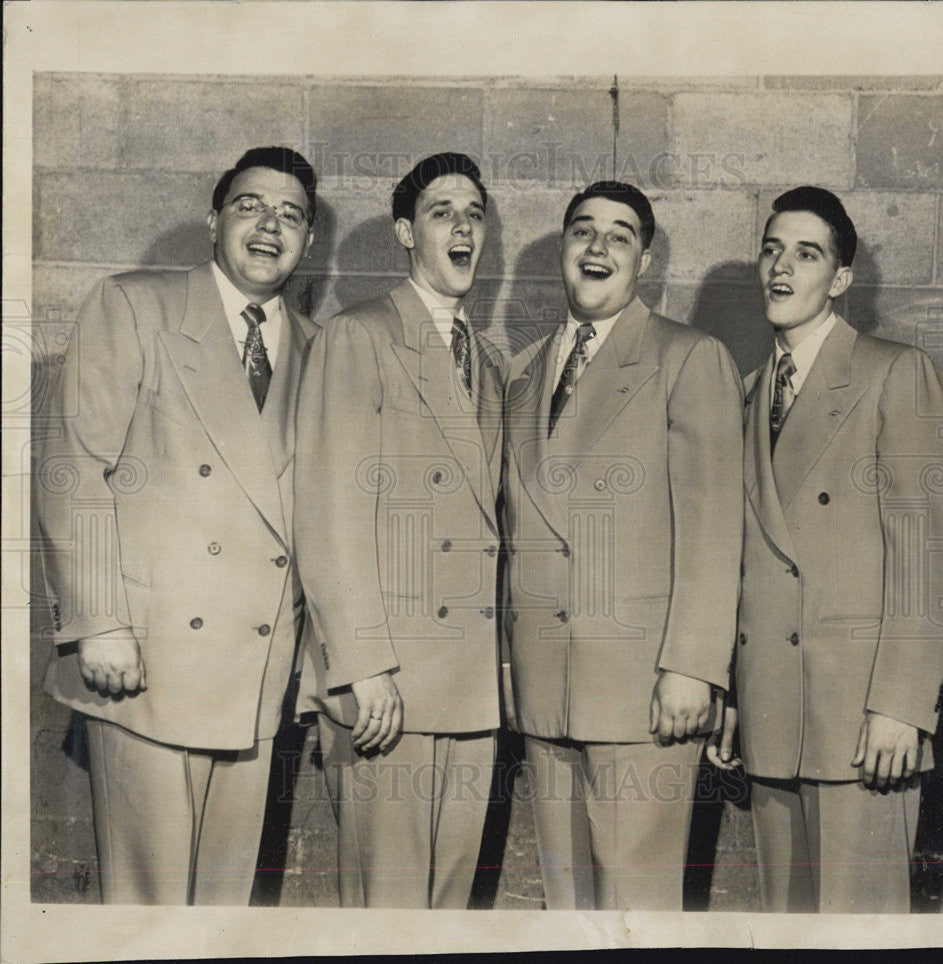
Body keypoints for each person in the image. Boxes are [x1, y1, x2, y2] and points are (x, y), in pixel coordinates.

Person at [35, 147, 320, 904]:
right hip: (147, 662)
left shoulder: (319, 348)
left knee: (222, 914)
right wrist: (98, 621)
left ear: (310, 242)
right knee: (150, 912)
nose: (270, 226)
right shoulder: (137, 305)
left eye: (291, 215)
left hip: (258, 675)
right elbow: (76, 467)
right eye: (251, 206)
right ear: (213, 220)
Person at [710, 186, 943, 913]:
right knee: (787, 925)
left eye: (806, 252)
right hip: (770, 713)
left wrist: (902, 705)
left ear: (842, 279)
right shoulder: (751, 389)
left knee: (861, 929)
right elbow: (742, 565)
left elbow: (931, 557)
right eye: (770, 249)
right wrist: (730, 688)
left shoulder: (894, 372)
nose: (780, 267)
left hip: (860, 721)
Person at [502, 181, 744, 910]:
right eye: (582, 231)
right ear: (563, 253)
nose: (597, 246)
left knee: (639, 904)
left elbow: (714, 524)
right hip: (546, 688)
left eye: (619, 234)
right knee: (566, 901)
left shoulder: (688, 357)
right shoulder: (521, 371)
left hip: (644, 687)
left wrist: (694, 668)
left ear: (645, 260)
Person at [294, 152, 504, 908]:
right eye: (444, 211)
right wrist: (362, 664)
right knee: (384, 911)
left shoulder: (488, 359)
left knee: (447, 912)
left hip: (471, 689)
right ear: (406, 233)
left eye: (475, 215)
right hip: (388, 683)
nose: (463, 227)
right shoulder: (359, 336)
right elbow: (326, 512)